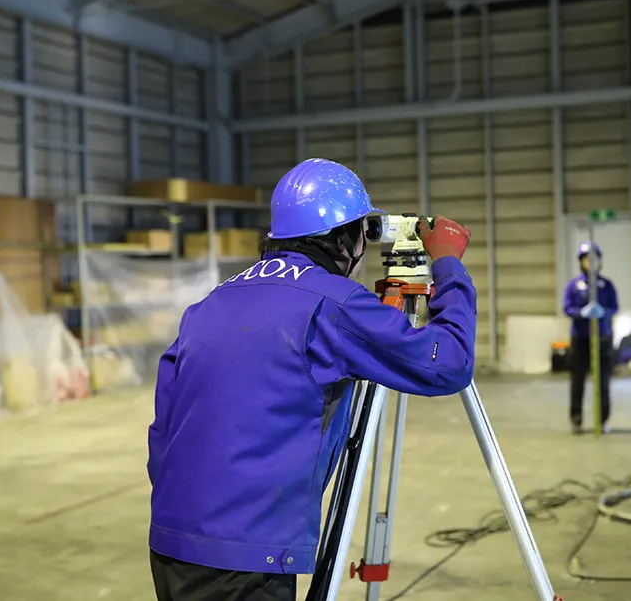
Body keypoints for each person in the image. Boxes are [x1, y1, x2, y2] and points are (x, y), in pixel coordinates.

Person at [146, 158, 476, 601]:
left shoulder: (211, 303)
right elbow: (449, 362)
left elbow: (162, 432)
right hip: (245, 556)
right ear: (345, 238)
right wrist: (449, 265)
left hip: (172, 541)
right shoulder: (332, 304)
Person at [563, 242, 619, 435]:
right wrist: (581, 313)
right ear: (582, 262)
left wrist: (604, 312)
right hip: (581, 339)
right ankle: (576, 420)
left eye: (594, 259)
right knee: (577, 381)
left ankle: (602, 420)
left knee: (603, 382)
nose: (591, 263)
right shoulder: (574, 286)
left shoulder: (607, 285)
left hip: (602, 338)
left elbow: (614, 307)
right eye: (587, 259)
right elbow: (567, 308)